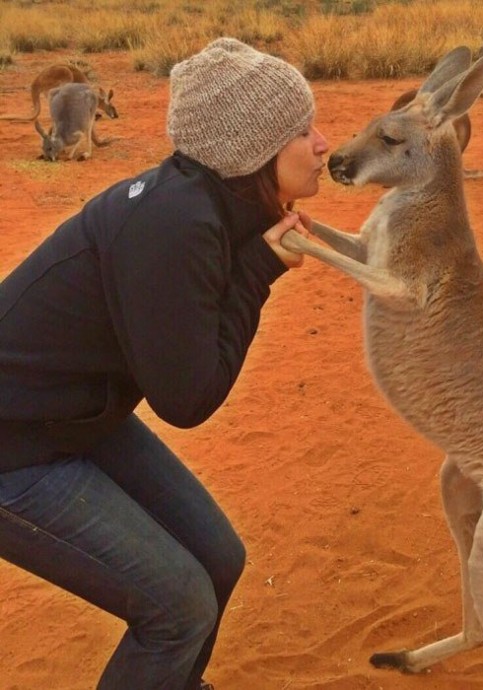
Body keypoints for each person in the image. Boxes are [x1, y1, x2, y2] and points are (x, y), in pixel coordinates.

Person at [0, 37, 329, 690]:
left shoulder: (212, 204)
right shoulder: (178, 224)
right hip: (14, 447)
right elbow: (188, 398)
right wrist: (260, 270)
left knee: (219, 559)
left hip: (70, 419)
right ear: (252, 151)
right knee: (178, 607)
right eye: (303, 130)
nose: (323, 142)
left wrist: (257, 253)